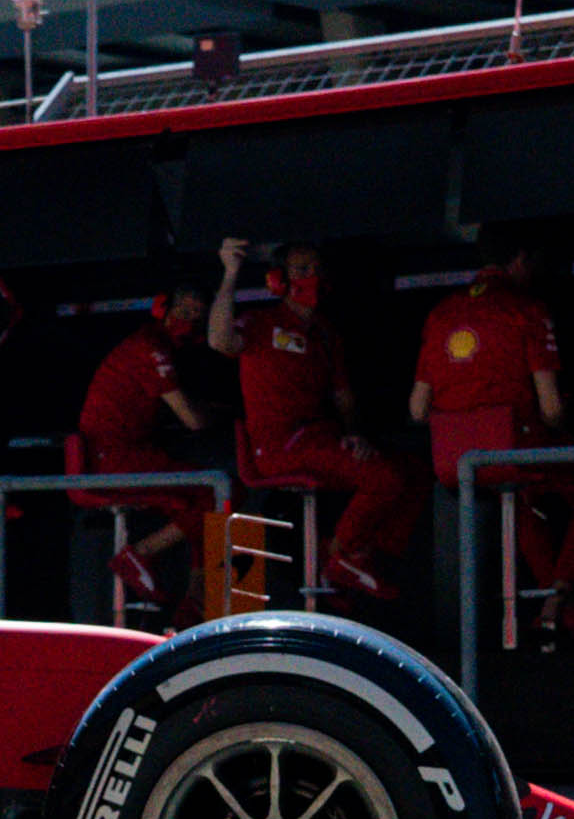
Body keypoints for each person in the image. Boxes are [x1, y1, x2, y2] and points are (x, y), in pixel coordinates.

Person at [211, 241, 417, 601]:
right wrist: (230, 273)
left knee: (411, 471)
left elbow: (344, 398)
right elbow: (219, 340)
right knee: (386, 477)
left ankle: (353, 558)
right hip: (281, 447)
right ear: (277, 280)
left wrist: (355, 435)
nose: (313, 277)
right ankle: (338, 559)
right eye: (302, 269)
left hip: (320, 438)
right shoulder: (261, 321)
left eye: (317, 269)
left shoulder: (325, 333)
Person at [411, 247, 574, 621]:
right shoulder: (527, 308)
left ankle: (558, 609)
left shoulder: (440, 314)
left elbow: (417, 410)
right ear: (520, 259)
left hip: (455, 462)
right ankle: (561, 598)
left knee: (521, 497)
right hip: (515, 452)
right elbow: (551, 409)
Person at [66, 276, 221, 617]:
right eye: (183, 310)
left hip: (126, 454)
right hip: (111, 460)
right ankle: (139, 554)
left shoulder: (162, 347)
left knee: (202, 499)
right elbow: (193, 420)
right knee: (221, 491)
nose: (188, 320)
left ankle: (196, 597)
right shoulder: (150, 346)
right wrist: (213, 414)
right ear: (162, 309)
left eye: (197, 315)